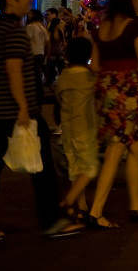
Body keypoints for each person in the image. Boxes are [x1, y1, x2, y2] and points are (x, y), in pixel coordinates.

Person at [0, 0, 82, 242]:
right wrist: (23, 108)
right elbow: (13, 70)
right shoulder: (13, 31)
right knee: (41, 167)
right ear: (9, 0)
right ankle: (50, 221)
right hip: (13, 112)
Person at [87, 0, 138, 229]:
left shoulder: (101, 27)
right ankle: (96, 211)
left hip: (105, 91)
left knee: (135, 146)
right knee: (116, 149)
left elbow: (94, 65)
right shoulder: (134, 27)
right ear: (129, 0)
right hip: (127, 93)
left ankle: (137, 204)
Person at [55, 37, 98, 222]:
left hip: (67, 128)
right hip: (84, 128)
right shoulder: (89, 77)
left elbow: (58, 98)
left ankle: (80, 206)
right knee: (89, 169)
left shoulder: (63, 76)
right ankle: (67, 202)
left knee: (75, 169)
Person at [26, 9, 50, 101]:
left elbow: (26, 41)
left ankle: (37, 95)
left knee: (34, 76)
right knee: (38, 75)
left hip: (33, 53)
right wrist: (47, 54)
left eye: (30, 14)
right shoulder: (42, 27)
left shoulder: (30, 27)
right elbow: (48, 41)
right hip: (41, 53)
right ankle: (40, 93)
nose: (28, 15)